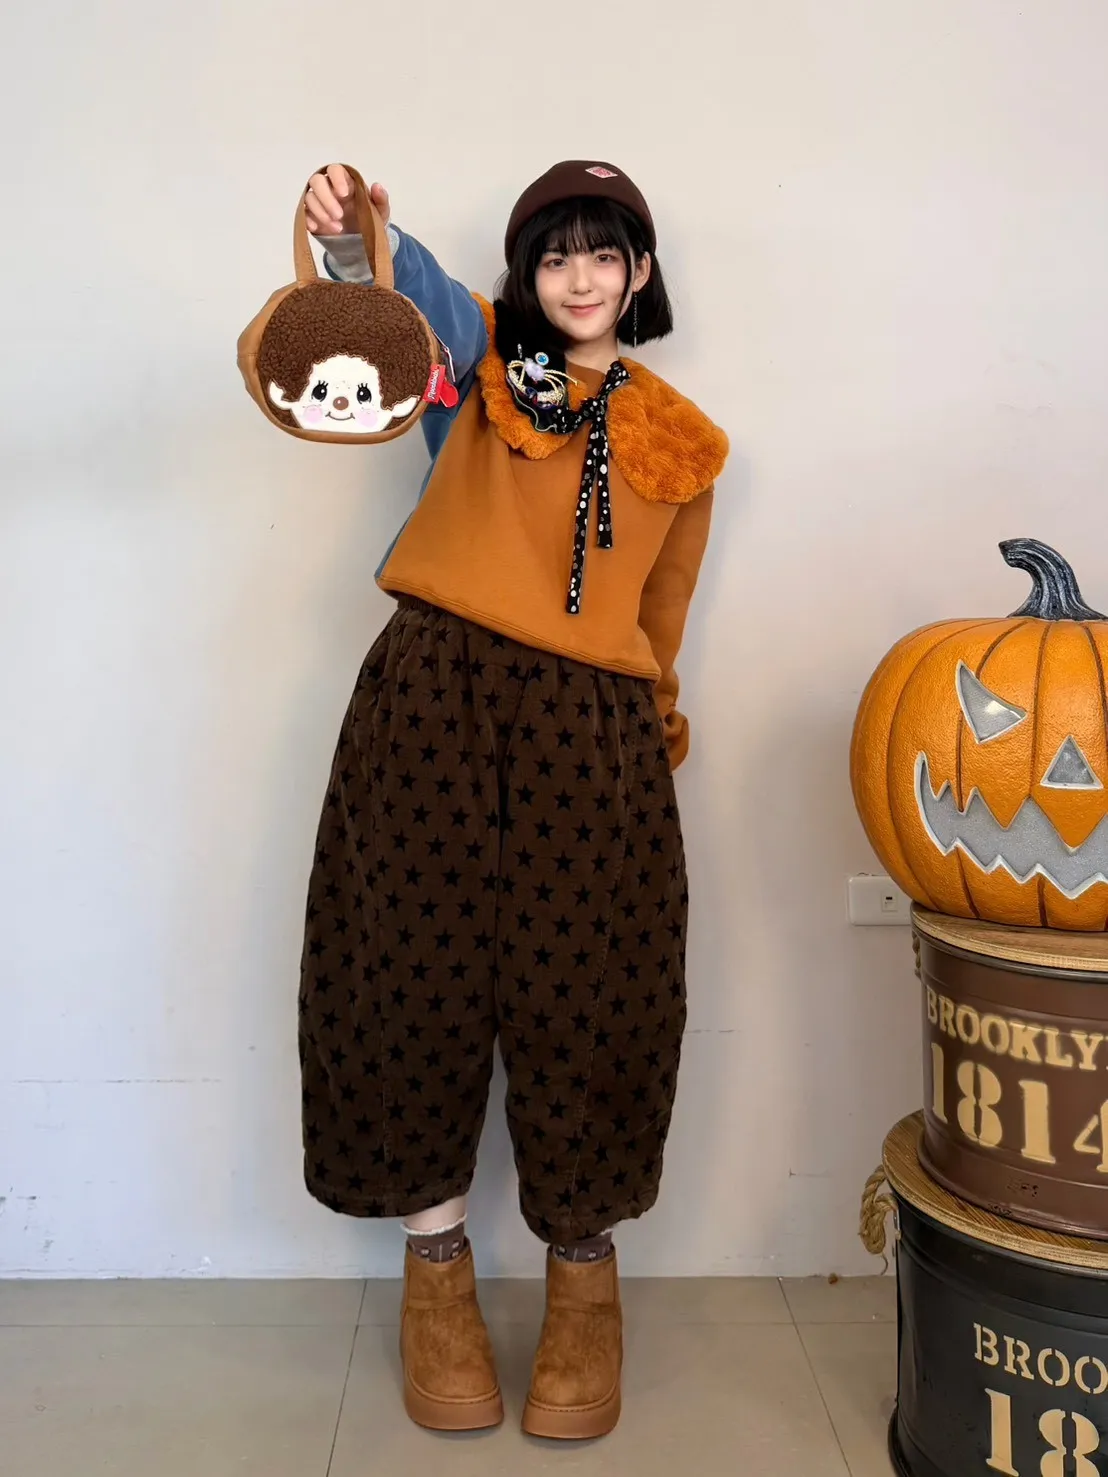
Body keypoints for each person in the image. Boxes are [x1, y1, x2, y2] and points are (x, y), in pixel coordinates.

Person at [297, 159, 728, 1439]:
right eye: (552, 256)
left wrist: (652, 735)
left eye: (601, 254)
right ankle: (435, 1272)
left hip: (591, 726)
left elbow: (661, 616)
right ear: (527, 277)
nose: (577, 278)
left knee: (589, 994)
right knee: (409, 974)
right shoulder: (487, 366)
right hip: (432, 696)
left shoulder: (683, 440)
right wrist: (351, 235)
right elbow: (404, 295)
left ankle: (583, 1288)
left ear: (638, 274)